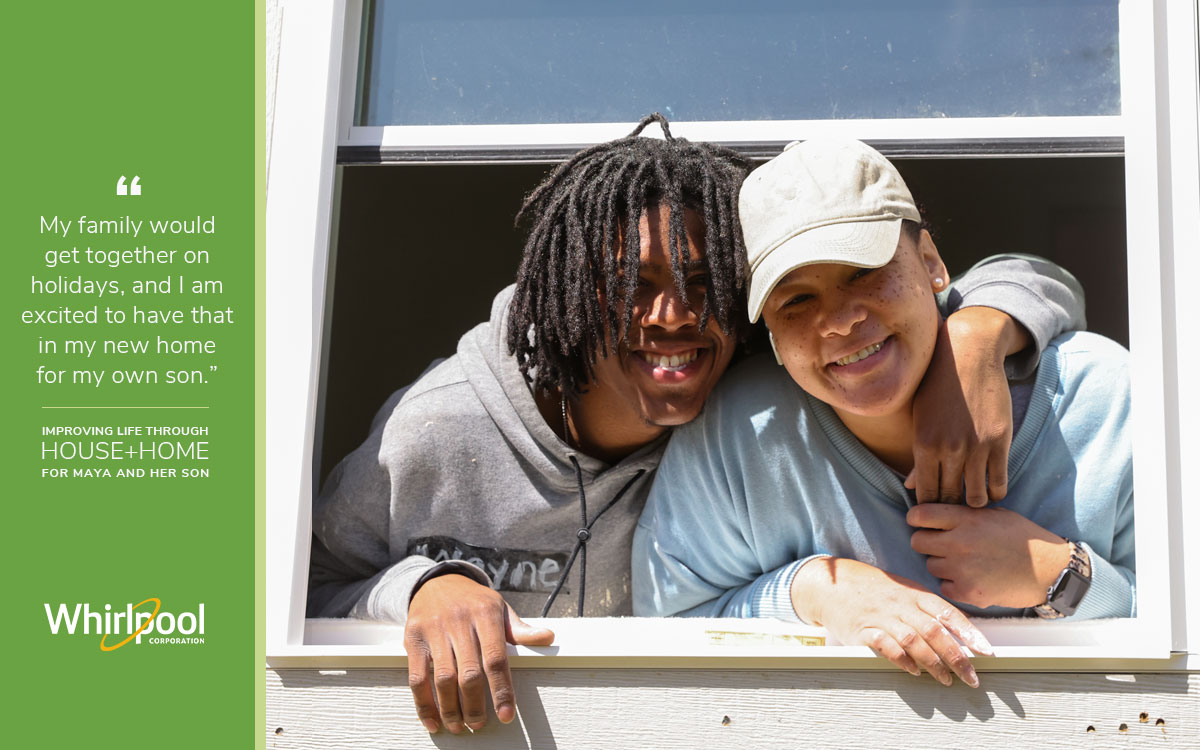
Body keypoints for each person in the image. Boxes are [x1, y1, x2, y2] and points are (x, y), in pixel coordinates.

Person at [308, 117, 1086, 733]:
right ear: (569, 291)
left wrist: (976, 338)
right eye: (633, 285)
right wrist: (423, 589)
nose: (674, 315)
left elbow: (1012, 277)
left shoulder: (753, 376)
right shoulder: (440, 432)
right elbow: (301, 589)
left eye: (705, 283)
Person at [632, 138, 1133, 691]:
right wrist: (817, 591)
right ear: (769, 334)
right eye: (795, 301)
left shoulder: (1100, 396)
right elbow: (662, 631)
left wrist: (1058, 575)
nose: (840, 320)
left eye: (863, 271)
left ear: (931, 263)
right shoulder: (738, 435)